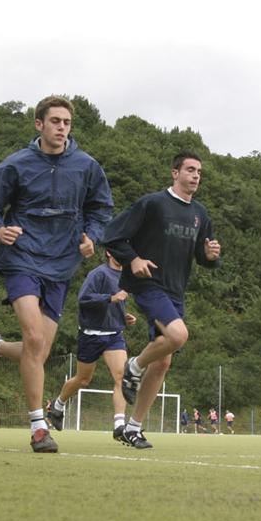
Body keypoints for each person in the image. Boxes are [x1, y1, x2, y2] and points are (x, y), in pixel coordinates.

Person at [0, 96, 113, 453]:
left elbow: (101, 208)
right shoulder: (17, 164)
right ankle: (38, 425)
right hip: (21, 257)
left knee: (40, 350)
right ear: (39, 124)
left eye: (66, 122)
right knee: (34, 338)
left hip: (62, 263)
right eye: (55, 121)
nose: (61, 127)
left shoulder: (87, 166)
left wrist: (91, 236)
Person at [100, 150, 221, 449]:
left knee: (164, 360)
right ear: (175, 173)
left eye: (199, 172)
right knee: (179, 335)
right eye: (190, 170)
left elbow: (202, 258)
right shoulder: (153, 204)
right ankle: (134, 367)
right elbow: (112, 236)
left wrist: (209, 257)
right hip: (149, 284)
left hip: (176, 291)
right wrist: (134, 259)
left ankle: (134, 428)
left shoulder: (200, 214)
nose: (195, 176)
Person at [42, 251, 136, 442]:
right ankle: (57, 406)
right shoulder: (98, 273)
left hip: (114, 335)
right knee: (83, 380)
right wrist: (111, 299)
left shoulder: (125, 275)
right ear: (109, 252)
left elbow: (116, 302)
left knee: (121, 376)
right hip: (90, 335)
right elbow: (83, 299)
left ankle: (119, 425)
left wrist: (123, 316)